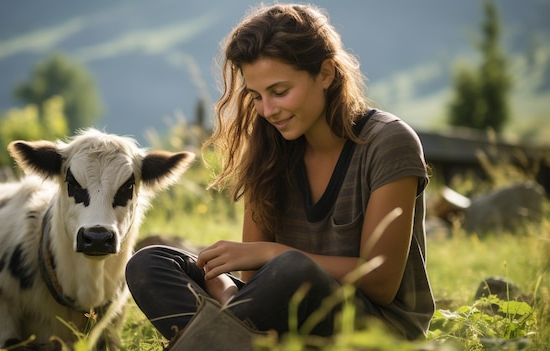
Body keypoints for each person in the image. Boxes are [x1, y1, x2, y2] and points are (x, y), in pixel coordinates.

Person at [126, 2, 435, 344]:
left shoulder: (388, 142)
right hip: (280, 317)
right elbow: (257, 280)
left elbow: (380, 281)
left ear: (327, 73)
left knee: (292, 269)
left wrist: (273, 254)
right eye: (256, 96)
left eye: (280, 91)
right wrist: (226, 287)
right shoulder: (269, 147)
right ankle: (232, 339)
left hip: (379, 329)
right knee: (150, 263)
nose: (267, 110)